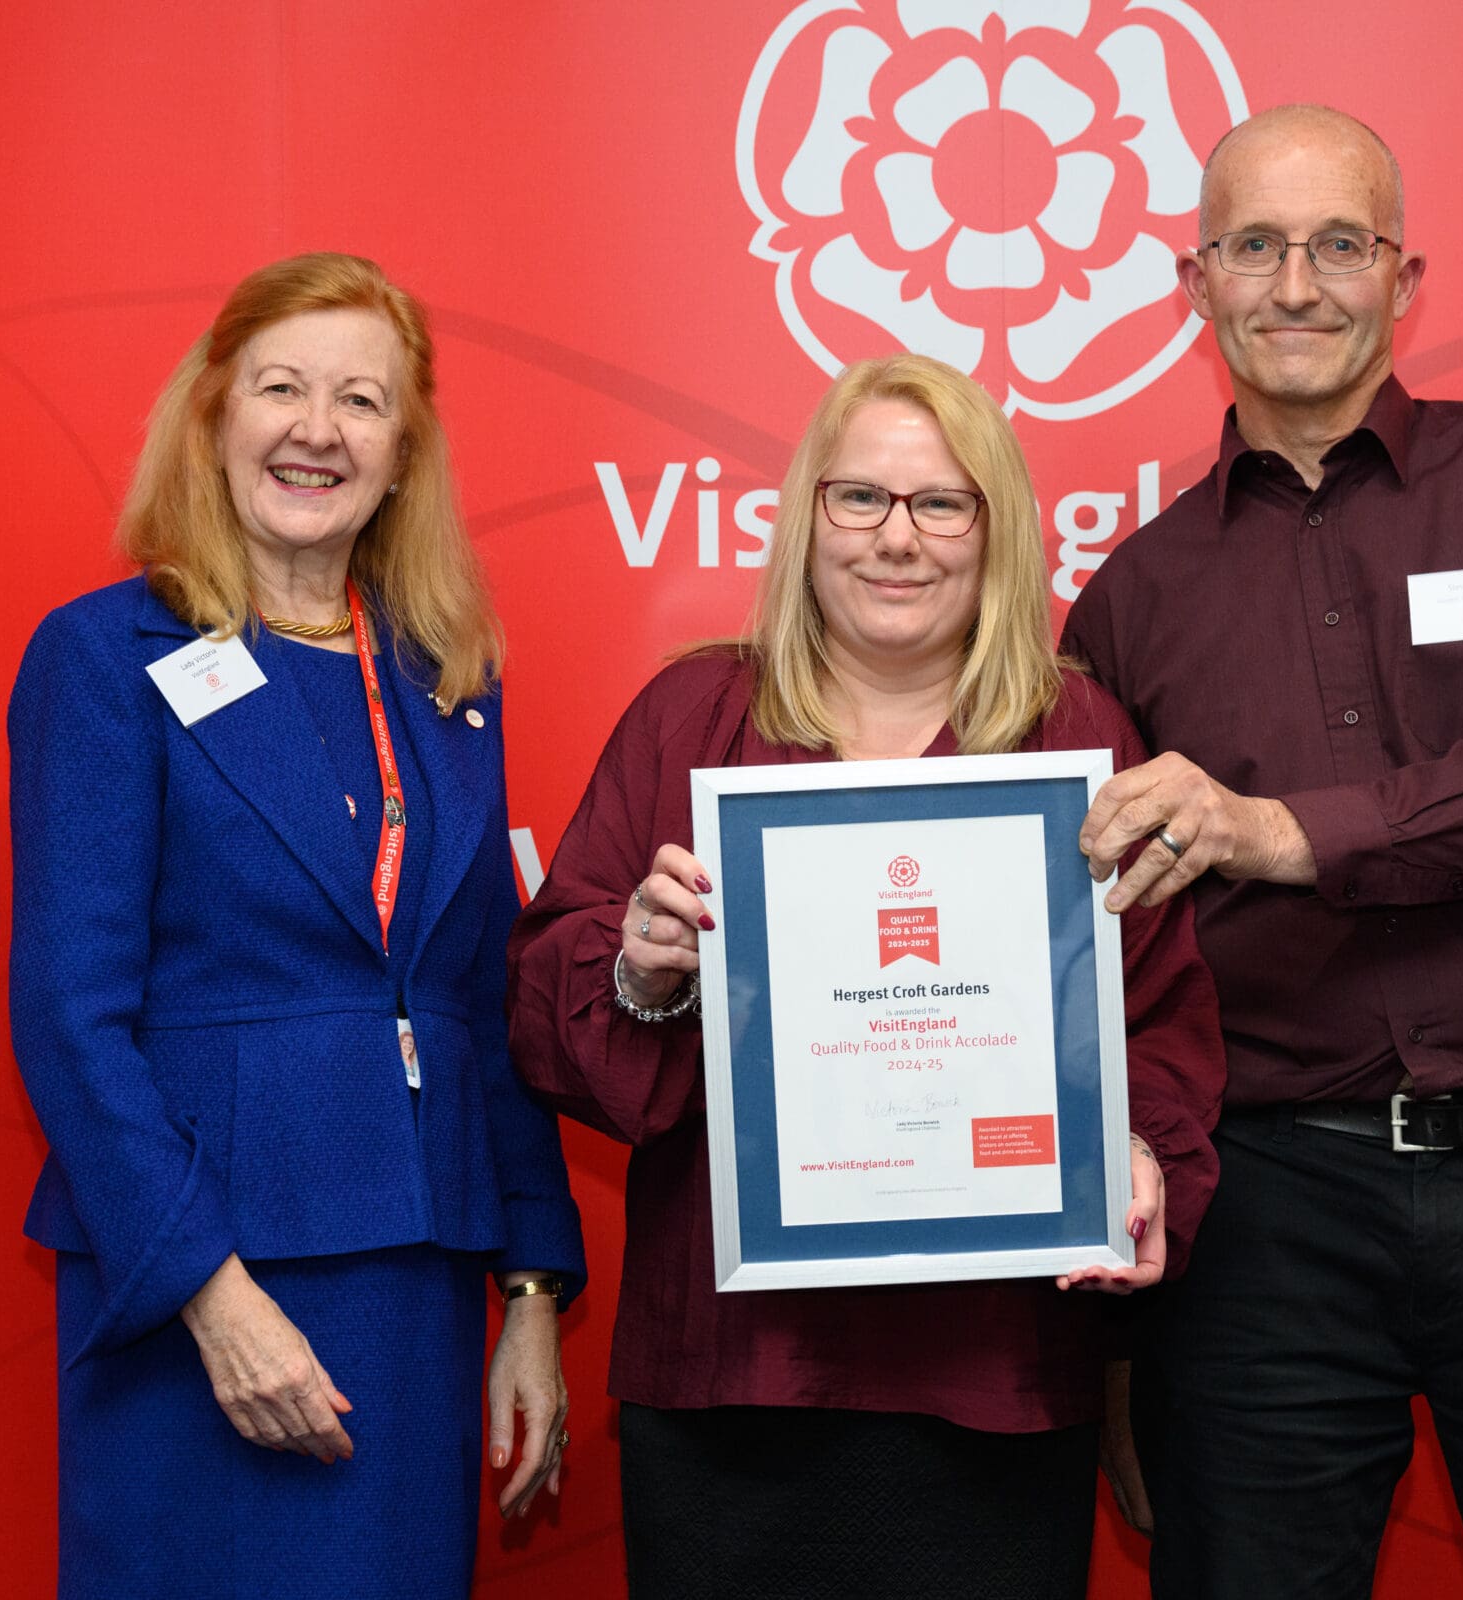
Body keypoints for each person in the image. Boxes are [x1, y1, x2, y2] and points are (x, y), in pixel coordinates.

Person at [1065, 106, 1463, 1598]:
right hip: (1266, 1224)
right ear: (1195, 284)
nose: (1297, 285)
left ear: (1404, 279)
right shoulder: (1130, 599)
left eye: (1339, 244)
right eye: (1256, 247)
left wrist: (1277, 830)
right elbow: (1106, 957)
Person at [507, 353, 1225, 1599]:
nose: (900, 540)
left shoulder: (1079, 738)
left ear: (995, 533)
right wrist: (641, 969)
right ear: (807, 518)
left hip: (989, 1375)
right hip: (735, 1377)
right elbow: (545, 988)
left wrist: (1144, 1153)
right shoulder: (691, 717)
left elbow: (1156, 1013)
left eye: (942, 504)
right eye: (862, 500)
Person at [7, 251, 585, 1600]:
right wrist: (207, 1291)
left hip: (411, 1285)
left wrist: (532, 1293)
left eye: (361, 402)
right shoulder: (105, 659)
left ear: (403, 451)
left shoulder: (451, 682)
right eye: (282, 388)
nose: (318, 429)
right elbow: (70, 1016)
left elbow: (484, 1007)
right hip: (197, 1291)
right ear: (214, 417)